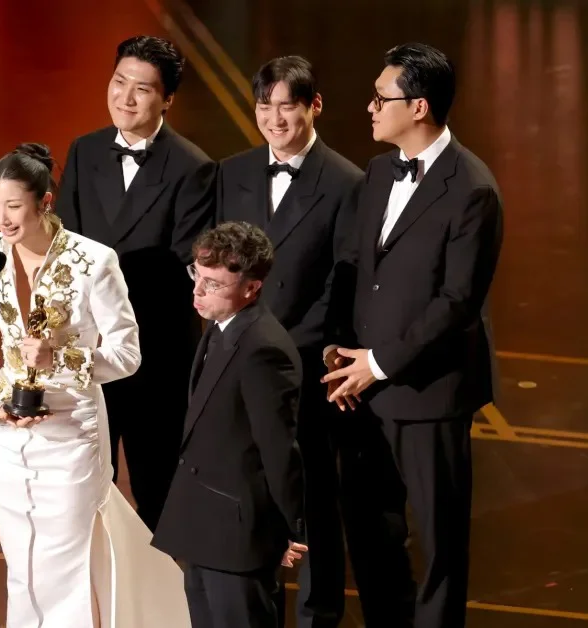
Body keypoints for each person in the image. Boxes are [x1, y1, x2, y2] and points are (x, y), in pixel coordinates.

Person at [0, 143, 192, 628]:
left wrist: (62, 358)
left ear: (44, 201)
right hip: (6, 438)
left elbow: (127, 354)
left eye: (13, 206)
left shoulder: (94, 261)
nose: (1, 218)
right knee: (22, 566)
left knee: (66, 565)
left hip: (71, 437)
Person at [323, 43, 504, 628]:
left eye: (381, 98)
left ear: (419, 106)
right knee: (371, 535)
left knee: (439, 544)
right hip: (361, 389)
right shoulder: (379, 172)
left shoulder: (472, 189)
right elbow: (360, 268)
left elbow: (457, 303)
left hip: (428, 393)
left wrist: (377, 363)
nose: (370, 107)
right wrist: (340, 346)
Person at [216, 54, 362, 628]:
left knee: (313, 496)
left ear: (313, 106)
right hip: (236, 360)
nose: (274, 119)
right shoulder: (231, 172)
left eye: (287, 106)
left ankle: (319, 615)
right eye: (264, 105)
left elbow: (342, 280)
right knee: (249, 490)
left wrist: (291, 345)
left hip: (302, 363)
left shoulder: (347, 182)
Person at [55, 35, 216, 531]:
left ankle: (162, 583)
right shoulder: (84, 151)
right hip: (88, 355)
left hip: (155, 357)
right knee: (83, 489)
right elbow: (64, 249)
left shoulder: (194, 167)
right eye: (118, 82)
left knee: (157, 492)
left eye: (142, 89)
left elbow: (183, 271)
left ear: (167, 99)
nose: (125, 98)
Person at [152, 221, 309, 628]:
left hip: (239, 536)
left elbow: (278, 448)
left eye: (213, 283)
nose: (197, 291)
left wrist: (290, 528)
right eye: (196, 275)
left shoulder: (264, 349)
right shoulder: (220, 327)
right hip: (206, 526)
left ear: (251, 288)